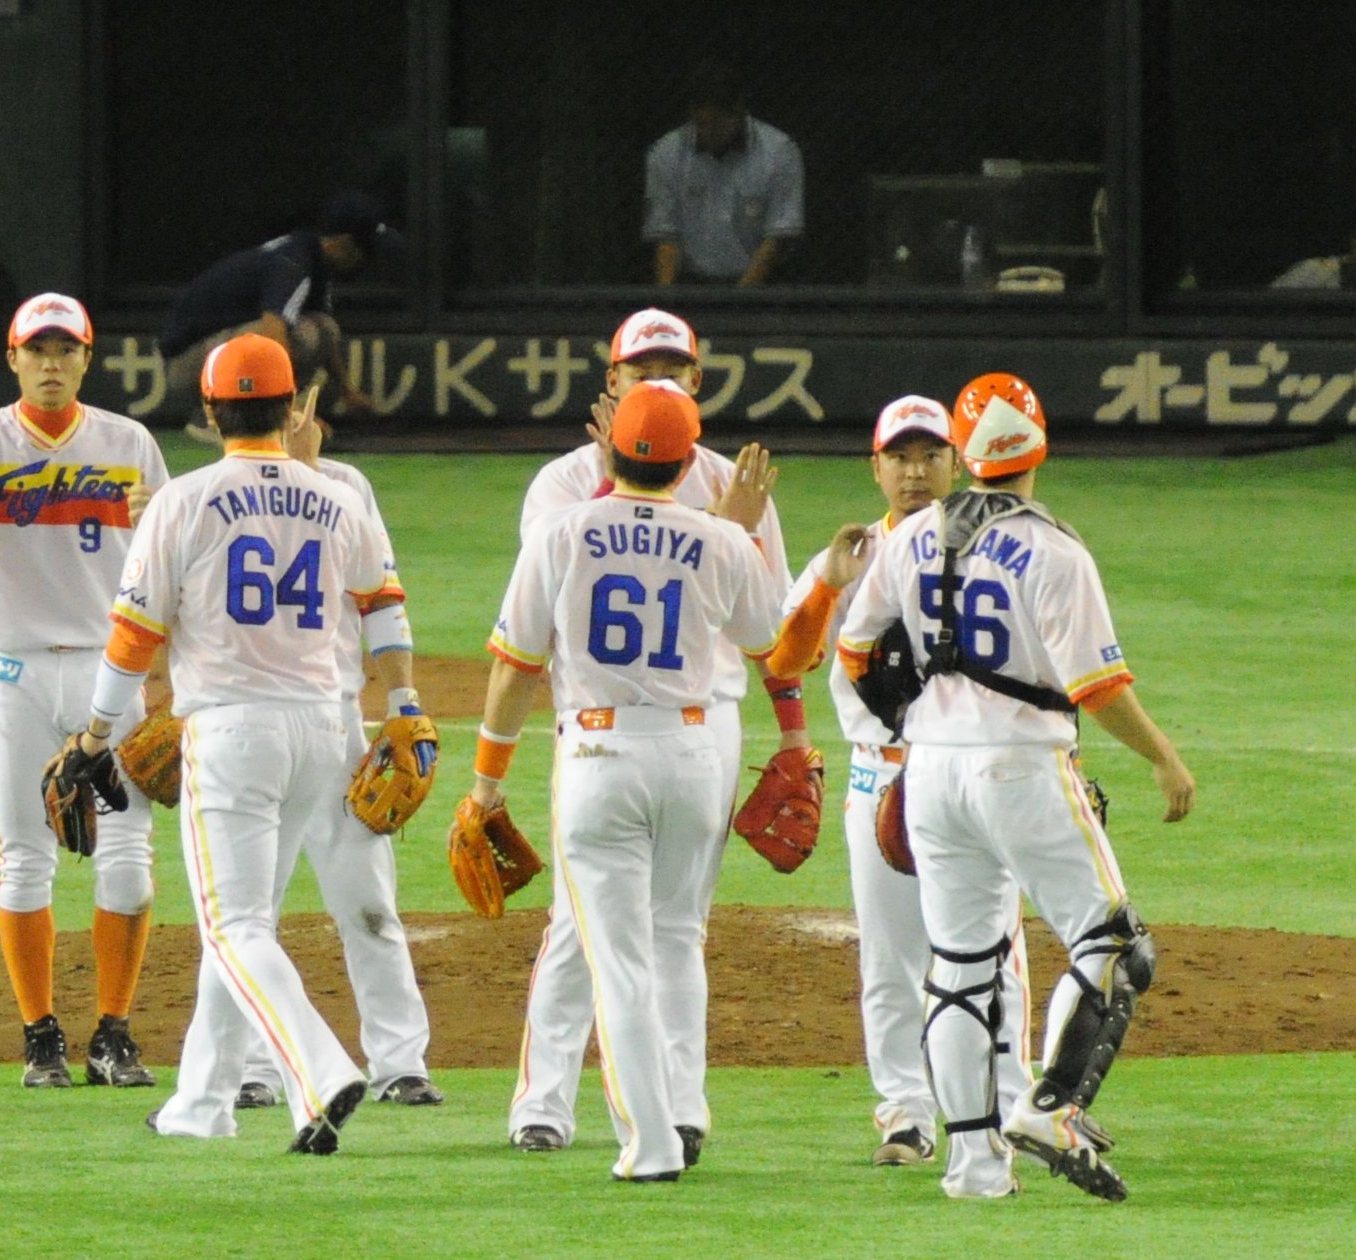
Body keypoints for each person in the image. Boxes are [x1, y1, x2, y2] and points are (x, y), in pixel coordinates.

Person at [466, 380, 859, 1180]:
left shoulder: (561, 532)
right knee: (678, 939)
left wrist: (486, 783)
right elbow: (781, 656)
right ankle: (681, 1108)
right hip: (691, 759)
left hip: (600, 759)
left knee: (614, 958)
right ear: (689, 463)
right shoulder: (722, 541)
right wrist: (818, 584)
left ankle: (650, 1142)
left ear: (608, 448)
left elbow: (514, 671)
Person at [837, 372, 1195, 1201]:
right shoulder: (1054, 549)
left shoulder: (911, 537)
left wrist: (917, 723)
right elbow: (1097, 688)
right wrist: (1162, 756)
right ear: (1039, 449)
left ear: (963, 456)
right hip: (1023, 769)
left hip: (930, 774)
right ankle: (1048, 1105)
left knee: (960, 968)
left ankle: (972, 1170)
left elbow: (856, 655)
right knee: (1113, 946)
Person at [76, 334, 414, 1154]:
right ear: (292, 407)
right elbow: (385, 608)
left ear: (212, 410)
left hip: (234, 731)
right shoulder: (339, 497)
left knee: (233, 927)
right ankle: (202, 1101)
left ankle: (319, 1069)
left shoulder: (184, 499)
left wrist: (94, 733)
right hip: (324, 733)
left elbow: (133, 636)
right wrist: (403, 704)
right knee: (247, 918)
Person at [505, 308, 794, 1159]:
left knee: (679, 927)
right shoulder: (563, 484)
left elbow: (766, 633)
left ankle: (678, 1105)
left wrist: (791, 734)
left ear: (698, 382)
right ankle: (544, 1105)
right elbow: (563, 591)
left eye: (675, 367)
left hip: (709, 724)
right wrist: (728, 526)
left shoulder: (732, 479)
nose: (660, 378)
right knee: (575, 922)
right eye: (644, 367)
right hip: (596, 723)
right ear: (613, 379)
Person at [0, 293, 171, 1090]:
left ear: (87, 360)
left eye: (67, 350)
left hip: (113, 669)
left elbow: (172, 560)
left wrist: (161, 515)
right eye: (38, 350)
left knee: (128, 858)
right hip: (17, 672)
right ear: (14, 357)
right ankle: (40, 1036)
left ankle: (115, 1032)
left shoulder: (129, 443)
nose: (52, 363)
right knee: (24, 858)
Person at [772, 395, 1033, 1167]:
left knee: (997, 948)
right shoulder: (852, 555)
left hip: (976, 772)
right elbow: (784, 664)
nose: (915, 473)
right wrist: (827, 585)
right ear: (875, 465)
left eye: (931, 457)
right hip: (879, 777)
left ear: (957, 463)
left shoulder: (995, 550)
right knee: (889, 957)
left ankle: (1014, 1104)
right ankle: (905, 1113)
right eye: (900, 457)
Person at [228, 392, 440, 1112]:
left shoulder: (349, 490)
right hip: (250, 730)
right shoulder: (215, 496)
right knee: (249, 909)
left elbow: (383, 603)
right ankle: (252, 1066)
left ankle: (401, 1061)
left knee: (368, 900)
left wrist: (403, 699)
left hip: (335, 729)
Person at [157, 190, 401, 427]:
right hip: (185, 364)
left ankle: (254, 413)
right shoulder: (294, 262)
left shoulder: (315, 261)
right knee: (303, 335)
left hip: (209, 354)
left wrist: (348, 392)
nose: (365, 260)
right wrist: (287, 406)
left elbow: (327, 339)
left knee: (323, 329)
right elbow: (273, 330)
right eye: (365, 251)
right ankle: (236, 418)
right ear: (344, 243)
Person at [642, 62, 804, 287]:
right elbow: (666, 238)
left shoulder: (779, 151)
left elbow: (778, 238)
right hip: (692, 283)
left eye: (717, 125)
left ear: (738, 113)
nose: (708, 133)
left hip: (761, 287)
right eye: (701, 124)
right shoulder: (665, 153)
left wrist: (740, 299)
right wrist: (667, 300)